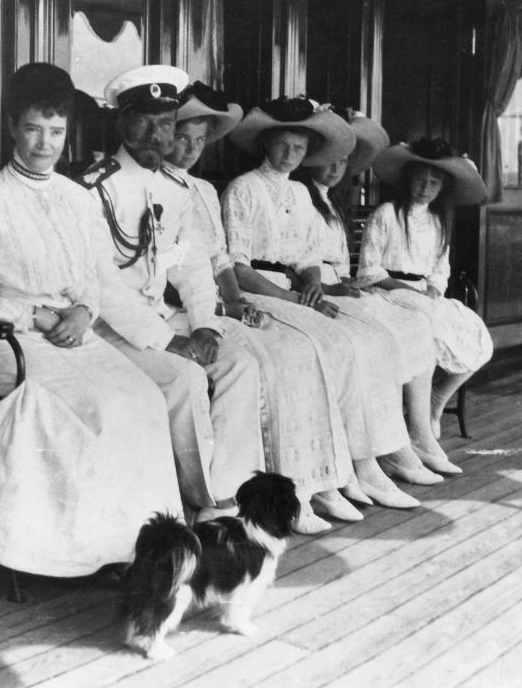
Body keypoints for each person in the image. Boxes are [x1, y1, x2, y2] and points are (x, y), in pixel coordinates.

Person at [0, 63, 182, 577]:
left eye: (56, 132)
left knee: (140, 397)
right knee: (95, 404)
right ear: (12, 127)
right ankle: (72, 551)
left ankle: (130, 547)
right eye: (33, 128)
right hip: (3, 339)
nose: (44, 144)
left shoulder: (77, 200)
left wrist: (81, 311)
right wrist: (37, 314)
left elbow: (90, 280)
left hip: (68, 334)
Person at [163, 82, 366, 532]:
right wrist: (233, 305)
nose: (190, 150)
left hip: (220, 302)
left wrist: (233, 302)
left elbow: (217, 259)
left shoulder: (201, 188)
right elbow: (181, 270)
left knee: (312, 347)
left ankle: (321, 480)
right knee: (276, 359)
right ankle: (269, 491)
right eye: (181, 138)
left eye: (199, 142)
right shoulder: (159, 187)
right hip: (180, 311)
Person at [80, 65, 264, 522]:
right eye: (143, 120)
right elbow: (100, 283)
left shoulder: (173, 190)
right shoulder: (93, 188)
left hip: (162, 316)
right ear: (121, 122)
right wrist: (169, 341)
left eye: (165, 122)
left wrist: (204, 324)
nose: (155, 134)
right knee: (183, 379)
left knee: (239, 360)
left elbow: (192, 267)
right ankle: (208, 502)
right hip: (110, 327)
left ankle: (231, 485)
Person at [222, 97, 424, 511]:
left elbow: (309, 254)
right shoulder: (243, 188)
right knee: (330, 346)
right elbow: (237, 266)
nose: (290, 155)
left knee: (365, 342)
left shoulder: (299, 192)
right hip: (261, 289)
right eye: (282, 145)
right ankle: (332, 477)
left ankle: (366, 463)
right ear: (266, 145)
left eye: (298, 149)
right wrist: (293, 297)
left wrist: (313, 281)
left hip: (296, 287)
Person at [294, 111, 456, 478]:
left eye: (344, 162)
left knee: (412, 325)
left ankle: (419, 434)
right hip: (317, 292)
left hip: (343, 288)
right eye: (328, 161)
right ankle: (392, 448)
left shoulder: (333, 204)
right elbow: (298, 262)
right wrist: (336, 286)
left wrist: (346, 283)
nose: (336, 169)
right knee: (382, 337)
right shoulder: (299, 197)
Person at [358, 136, 494, 446]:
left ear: (441, 188)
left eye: (434, 182)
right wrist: (409, 290)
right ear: (409, 181)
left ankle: (436, 399)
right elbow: (369, 269)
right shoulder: (386, 214)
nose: (426, 187)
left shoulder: (437, 222)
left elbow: (440, 267)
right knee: (427, 326)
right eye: (421, 179)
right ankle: (417, 416)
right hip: (387, 291)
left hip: (423, 294)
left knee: (476, 331)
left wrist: (434, 289)